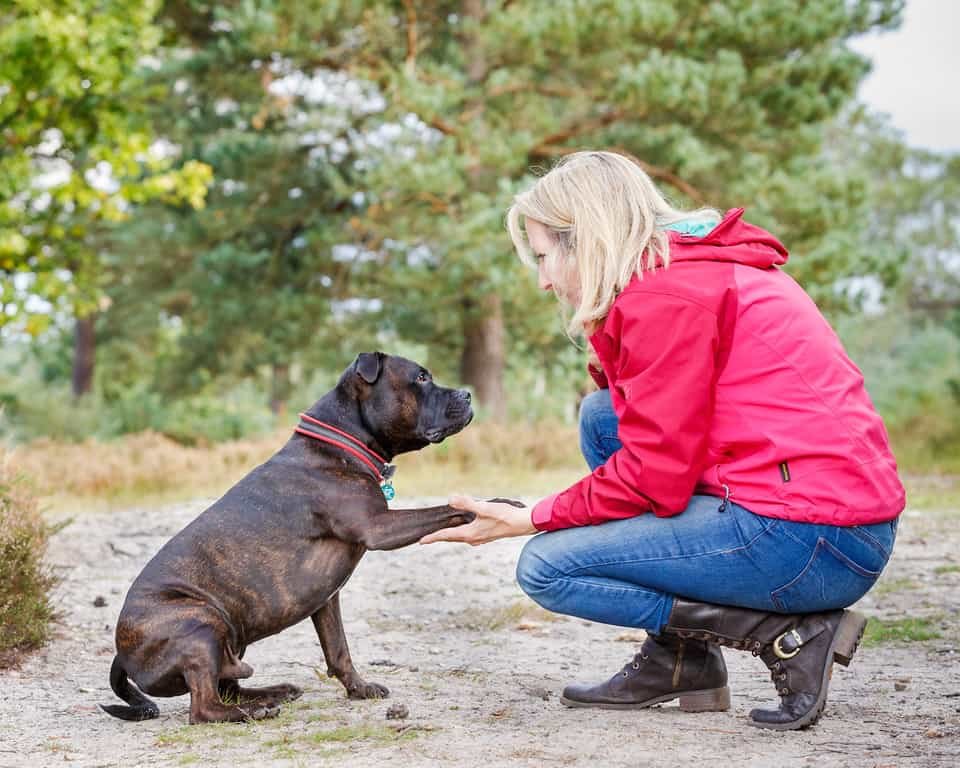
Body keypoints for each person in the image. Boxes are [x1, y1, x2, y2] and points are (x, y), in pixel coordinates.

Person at [420, 150, 904, 731]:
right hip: (830, 520)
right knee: (603, 419)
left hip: (815, 541)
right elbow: (647, 437)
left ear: (587, 240)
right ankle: (681, 659)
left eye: (545, 256)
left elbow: (655, 477)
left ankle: (789, 635)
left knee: (547, 567)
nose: (544, 280)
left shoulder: (667, 297)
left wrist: (533, 517)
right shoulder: (681, 272)